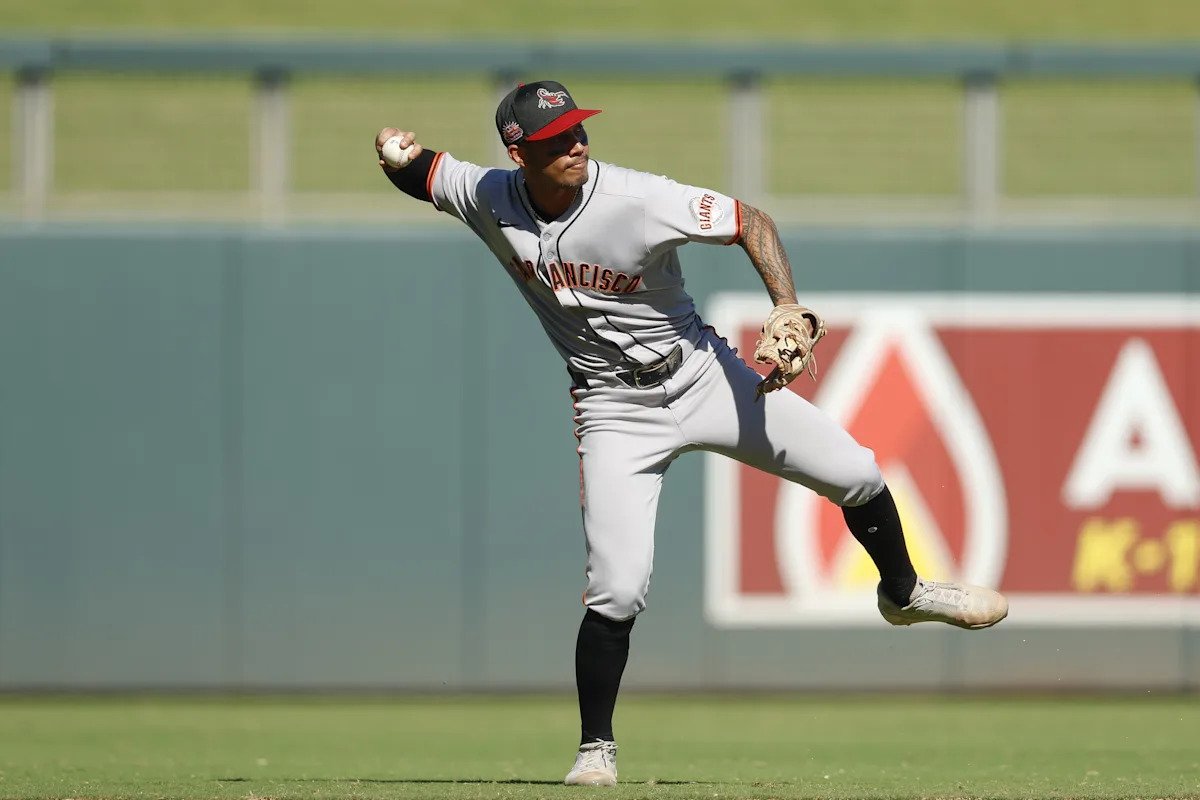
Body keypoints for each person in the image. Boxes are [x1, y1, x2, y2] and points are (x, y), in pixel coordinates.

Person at [374, 80, 1008, 787]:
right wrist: (391, 152)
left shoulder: (637, 199)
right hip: (613, 409)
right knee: (617, 589)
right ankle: (595, 749)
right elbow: (425, 174)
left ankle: (904, 592)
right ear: (519, 155)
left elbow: (749, 221)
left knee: (857, 472)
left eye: (579, 128)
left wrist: (787, 306)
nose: (577, 143)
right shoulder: (488, 195)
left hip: (704, 375)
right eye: (556, 139)